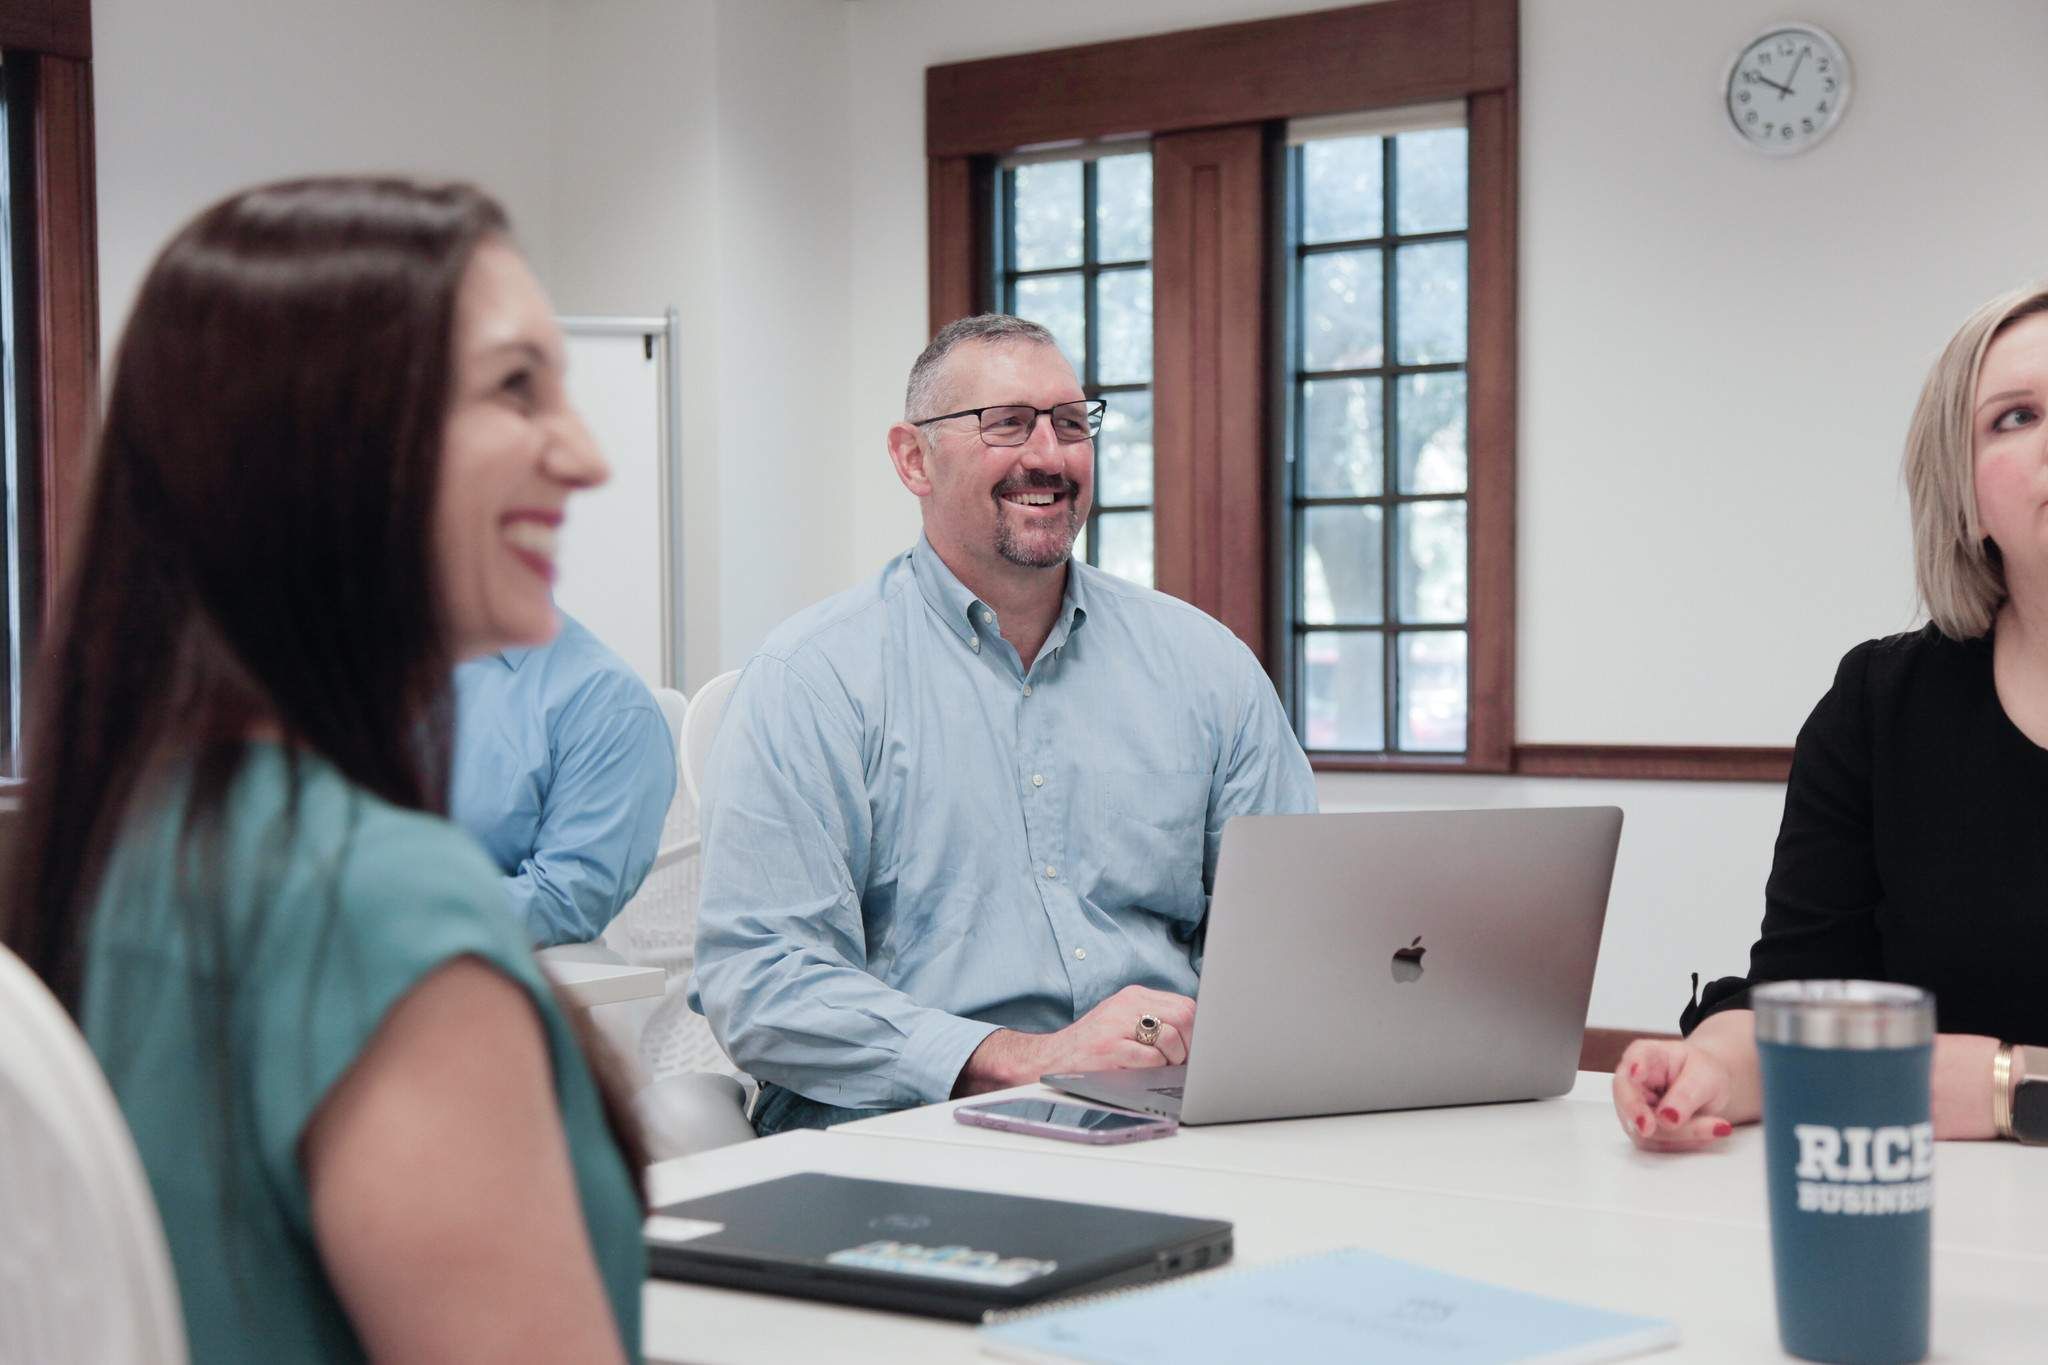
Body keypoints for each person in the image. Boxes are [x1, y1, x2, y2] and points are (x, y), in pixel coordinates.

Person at [0, 178, 646, 1361]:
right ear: (324, 441)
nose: (588, 455)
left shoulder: (147, 833)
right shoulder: (378, 902)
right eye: (516, 387)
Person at [690, 314, 1317, 1135]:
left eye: (1069, 422)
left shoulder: (1208, 667)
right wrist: (1022, 1056)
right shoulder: (812, 681)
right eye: (1007, 424)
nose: (1049, 456)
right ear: (914, 458)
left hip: (1169, 1115)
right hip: (901, 1129)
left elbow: (1292, 927)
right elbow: (760, 981)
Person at [1614, 281, 2048, 1151]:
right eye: (2016, 416)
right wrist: (1720, 1070)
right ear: (1962, 489)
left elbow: (1971, 1085)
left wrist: (2011, 1087)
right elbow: (1803, 997)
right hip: (1928, 1221)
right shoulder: (1881, 705)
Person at [452, 608, 677, 947]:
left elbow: (567, 897)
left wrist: (411, 914)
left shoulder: (609, 702)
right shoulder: (373, 660)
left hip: (466, 972)